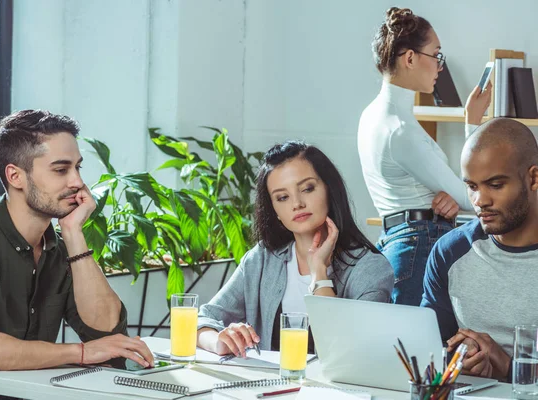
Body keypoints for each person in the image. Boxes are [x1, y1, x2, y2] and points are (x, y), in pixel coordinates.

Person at [0, 110, 154, 399]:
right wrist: (80, 352)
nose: (77, 182)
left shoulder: (62, 248)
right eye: (61, 170)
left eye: (78, 167)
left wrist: (74, 234)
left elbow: (107, 336)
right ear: (15, 176)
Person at [196, 141, 394, 358]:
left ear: (330, 189)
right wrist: (219, 342)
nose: (297, 203)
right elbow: (201, 319)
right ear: (275, 210)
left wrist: (319, 273)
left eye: (307, 188)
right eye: (282, 197)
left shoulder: (371, 269)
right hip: (267, 390)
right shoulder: (262, 259)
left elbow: (347, 355)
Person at [357, 7, 492, 305]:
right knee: (413, 347)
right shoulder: (400, 130)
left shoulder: (373, 115)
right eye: (436, 55)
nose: (439, 67)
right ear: (410, 58)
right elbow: (472, 196)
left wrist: (450, 200)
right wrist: (472, 124)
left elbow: (457, 196)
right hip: (418, 245)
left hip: (399, 241)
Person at [421, 118, 538, 381]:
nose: (480, 201)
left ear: (533, 177)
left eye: (495, 185)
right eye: (472, 187)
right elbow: (430, 348)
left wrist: (508, 367)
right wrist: (463, 356)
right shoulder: (450, 252)